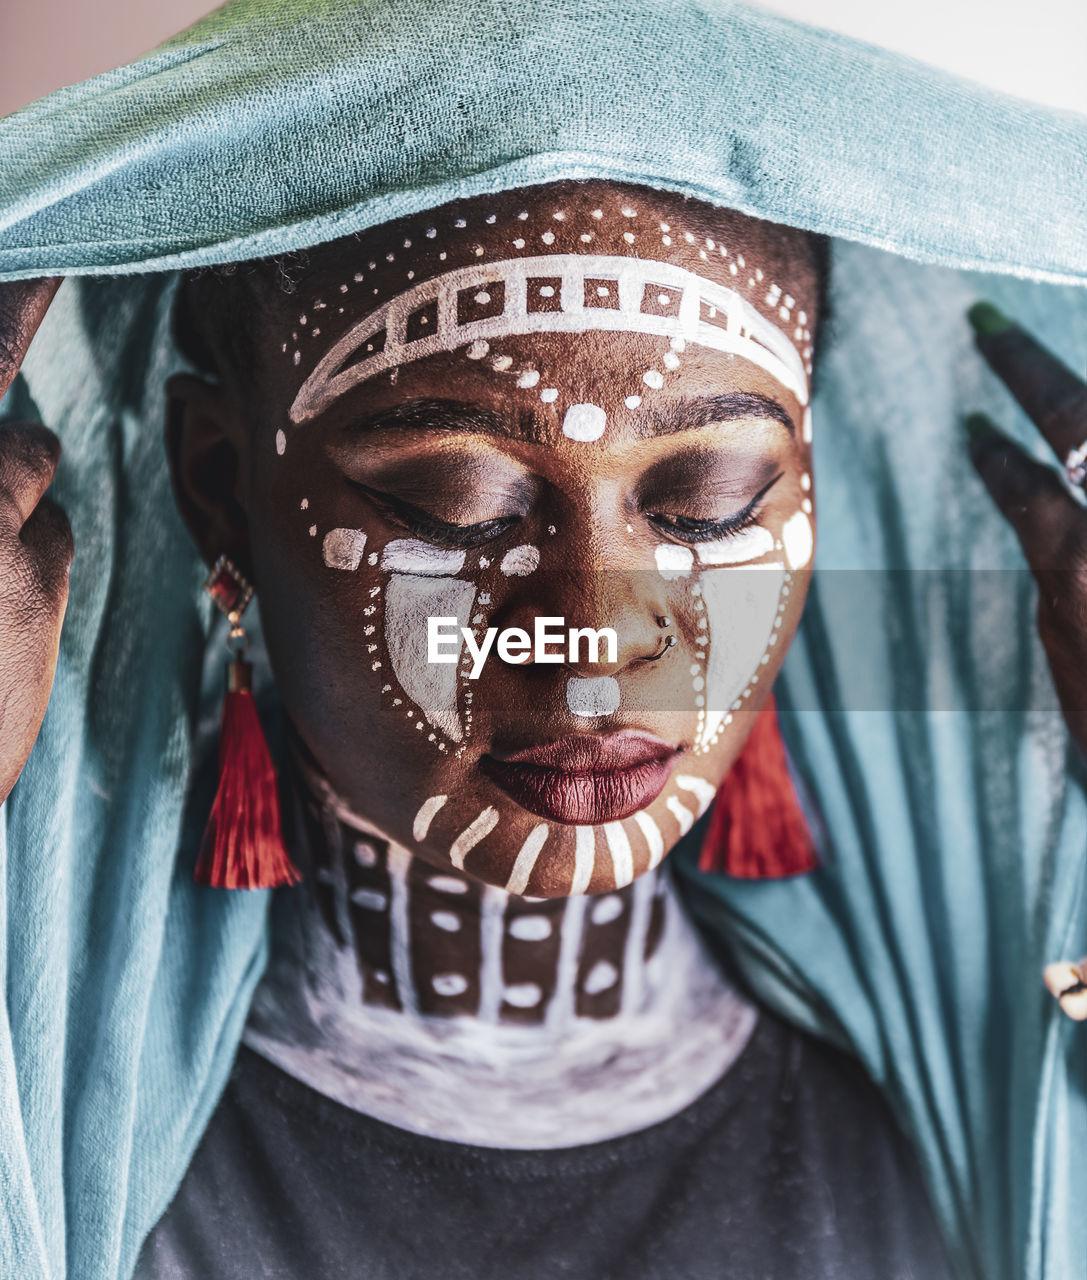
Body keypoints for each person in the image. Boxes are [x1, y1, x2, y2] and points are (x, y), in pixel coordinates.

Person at [1, 3, 1085, 1278]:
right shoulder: (58, 1137)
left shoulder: (998, 1097)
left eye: (707, 502)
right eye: (455, 505)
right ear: (221, 485)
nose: (597, 644)